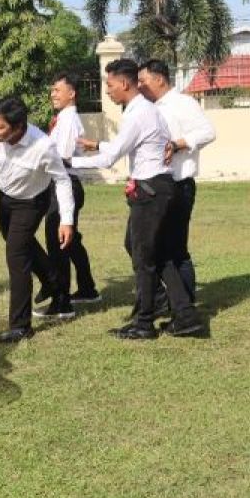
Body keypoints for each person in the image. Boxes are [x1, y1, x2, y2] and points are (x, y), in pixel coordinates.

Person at [71, 59, 204, 339]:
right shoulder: (144, 110)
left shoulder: (138, 113)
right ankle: (185, 315)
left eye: (109, 84)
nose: (107, 91)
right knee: (157, 253)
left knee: (144, 258)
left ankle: (145, 323)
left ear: (123, 83)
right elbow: (127, 148)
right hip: (157, 186)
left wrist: (67, 163)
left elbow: (111, 157)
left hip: (151, 190)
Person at [0, 96, 74, 343]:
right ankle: (55, 282)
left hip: (32, 202)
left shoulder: (43, 146)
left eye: (0, 127)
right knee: (18, 244)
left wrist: (67, 220)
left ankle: (21, 326)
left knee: (16, 255)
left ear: (19, 127)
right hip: (6, 197)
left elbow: (62, 180)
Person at [138, 59, 217, 301]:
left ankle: (185, 305)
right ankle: (164, 298)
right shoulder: (148, 107)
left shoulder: (183, 103)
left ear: (159, 79)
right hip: (155, 186)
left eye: (143, 80)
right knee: (142, 244)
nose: (139, 86)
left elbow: (208, 132)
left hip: (179, 184)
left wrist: (177, 144)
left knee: (175, 249)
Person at [34, 73, 99, 318]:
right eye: (52, 90)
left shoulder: (69, 119)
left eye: (57, 90)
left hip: (64, 185)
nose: (53, 94)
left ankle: (61, 303)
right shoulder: (63, 119)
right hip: (65, 184)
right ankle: (87, 289)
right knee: (70, 241)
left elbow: (61, 157)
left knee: (57, 242)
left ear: (71, 93)